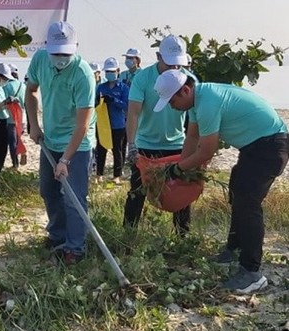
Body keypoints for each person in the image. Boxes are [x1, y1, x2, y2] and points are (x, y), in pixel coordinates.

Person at [154, 69, 288, 293]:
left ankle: (252, 272)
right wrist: (182, 166)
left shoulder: (207, 103)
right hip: (254, 146)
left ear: (185, 90)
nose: (171, 106)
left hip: (271, 145)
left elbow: (206, 151)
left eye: (172, 101)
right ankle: (232, 250)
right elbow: (192, 138)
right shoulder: (197, 100)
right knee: (237, 191)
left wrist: (176, 170)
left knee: (248, 203)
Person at [26, 21, 96, 265]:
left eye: (66, 53)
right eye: (56, 53)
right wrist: (33, 124)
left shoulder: (83, 74)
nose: (60, 58)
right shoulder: (39, 61)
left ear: (75, 48)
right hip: (51, 138)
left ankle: (75, 248)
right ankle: (57, 236)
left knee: (73, 197)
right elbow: (31, 90)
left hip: (77, 143)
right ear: (47, 48)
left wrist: (66, 159)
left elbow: (82, 125)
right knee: (49, 190)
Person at [123, 35, 191, 236]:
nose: (174, 68)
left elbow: (195, 117)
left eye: (178, 64)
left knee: (181, 193)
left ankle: (183, 238)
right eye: (170, 63)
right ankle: (128, 234)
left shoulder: (189, 78)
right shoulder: (142, 78)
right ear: (158, 56)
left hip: (177, 144)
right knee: (137, 192)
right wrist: (131, 144)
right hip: (146, 145)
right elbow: (133, 112)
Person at [95, 57, 129, 184]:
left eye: (112, 71)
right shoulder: (101, 87)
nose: (109, 73)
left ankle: (117, 175)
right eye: (107, 71)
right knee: (101, 149)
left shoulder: (124, 88)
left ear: (118, 71)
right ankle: (99, 174)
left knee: (117, 150)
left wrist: (114, 100)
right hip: (103, 124)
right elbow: (95, 103)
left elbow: (127, 106)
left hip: (118, 124)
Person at [4, 63, 27, 167]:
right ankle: (23, 152)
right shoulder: (23, 85)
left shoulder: (6, 86)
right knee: (19, 139)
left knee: (12, 142)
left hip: (10, 118)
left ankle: (15, 164)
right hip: (22, 117)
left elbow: (3, 101)